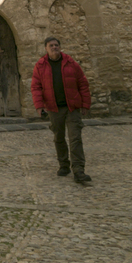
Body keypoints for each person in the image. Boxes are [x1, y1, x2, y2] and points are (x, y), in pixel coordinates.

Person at [31, 36, 92, 183]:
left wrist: (85, 104)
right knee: (58, 138)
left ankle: (78, 170)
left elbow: (83, 83)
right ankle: (64, 165)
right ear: (46, 48)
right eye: (51, 46)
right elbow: (36, 87)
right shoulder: (40, 66)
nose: (54, 48)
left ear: (60, 47)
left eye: (56, 45)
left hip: (72, 108)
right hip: (54, 109)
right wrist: (39, 106)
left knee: (75, 138)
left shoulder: (71, 63)